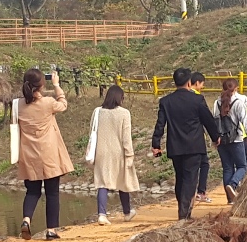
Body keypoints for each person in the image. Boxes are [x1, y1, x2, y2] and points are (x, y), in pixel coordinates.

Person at [151, 67, 222, 220]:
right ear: (189, 82)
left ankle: (183, 209)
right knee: (190, 179)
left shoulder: (166, 101)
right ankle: (184, 214)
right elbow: (208, 120)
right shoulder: (197, 100)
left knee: (180, 177)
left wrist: (156, 144)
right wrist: (216, 137)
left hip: (175, 146)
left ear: (175, 82)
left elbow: (160, 124)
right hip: (194, 146)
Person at [15, 67, 73, 240]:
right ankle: (51, 230)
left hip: (28, 154)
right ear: (41, 85)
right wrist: (56, 86)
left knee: (32, 192)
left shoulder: (17, 104)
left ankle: (26, 220)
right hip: (48, 154)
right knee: (52, 193)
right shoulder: (48, 102)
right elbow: (63, 105)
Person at [90, 84, 140, 224]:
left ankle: (101, 214)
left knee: (102, 182)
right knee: (123, 181)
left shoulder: (97, 111)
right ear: (120, 98)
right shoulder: (124, 113)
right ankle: (127, 212)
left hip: (101, 151)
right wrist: (129, 154)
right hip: (118, 152)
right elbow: (126, 137)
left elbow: (92, 132)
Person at [214, 77, 247, 202]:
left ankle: (229, 199)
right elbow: (245, 119)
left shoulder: (216, 103)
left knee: (227, 168)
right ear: (236, 88)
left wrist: (214, 139)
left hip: (221, 141)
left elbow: (214, 122)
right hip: (236, 139)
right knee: (242, 166)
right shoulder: (238, 102)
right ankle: (233, 184)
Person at [189, 71, 212, 203]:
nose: (202, 86)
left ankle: (189, 195)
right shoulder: (198, 98)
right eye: (202, 84)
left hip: (181, 140)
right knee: (204, 164)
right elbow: (206, 118)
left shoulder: (180, 97)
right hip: (197, 138)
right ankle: (200, 192)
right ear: (197, 83)